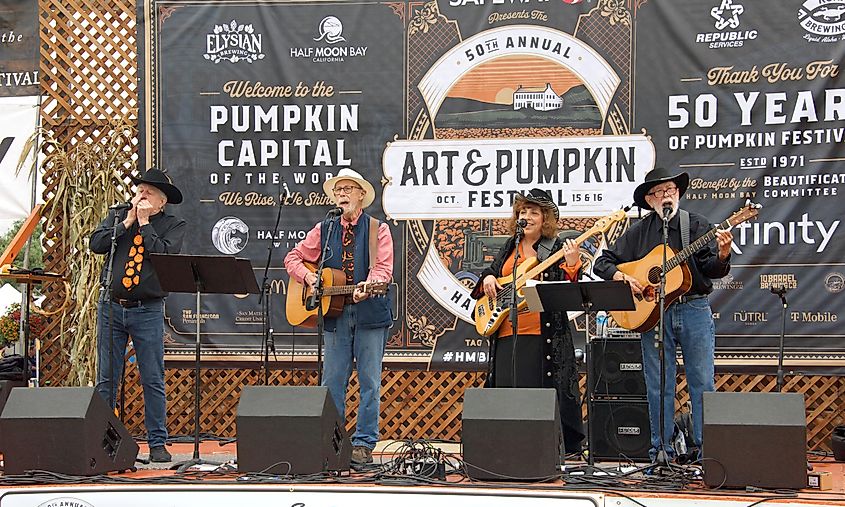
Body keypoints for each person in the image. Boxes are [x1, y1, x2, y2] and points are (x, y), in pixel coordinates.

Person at [593, 167, 732, 463]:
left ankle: (709, 454)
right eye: (658, 192)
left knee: (702, 381)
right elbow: (602, 262)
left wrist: (722, 255)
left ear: (678, 193)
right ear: (649, 199)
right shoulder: (639, 232)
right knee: (658, 384)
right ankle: (661, 452)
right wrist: (622, 276)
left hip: (693, 308)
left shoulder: (696, 225)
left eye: (670, 190)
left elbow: (711, 269)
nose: (666, 196)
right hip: (654, 315)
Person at [284, 168, 394, 465]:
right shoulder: (325, 228)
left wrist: (367, 288)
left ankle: (364, 442)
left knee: (370, 381)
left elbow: (383, 270)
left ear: (361, 195)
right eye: (338, 190)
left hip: (370, 313)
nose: (342, 194)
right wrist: (308, 278)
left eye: (348, 189)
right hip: (335, 314)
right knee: (332, 381)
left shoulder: (377, 229)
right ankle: (332, 441)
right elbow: (293, 258)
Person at [469, 188, 585, 455]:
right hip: (507, 334)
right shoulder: (511, 246)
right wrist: (487, 277)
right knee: (507, 394)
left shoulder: (554, 247)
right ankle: (509, 450)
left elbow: (566, 291)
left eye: (534, 212)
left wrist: (571, 264)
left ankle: (542, 452)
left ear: (545, 218)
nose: (527, 216)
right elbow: (494, 272)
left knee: (538, 396)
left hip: (540, 336)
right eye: (523, 211)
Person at [90, 168, 186, 463]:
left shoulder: (173, 224)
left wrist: (144, 224)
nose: (141, 195)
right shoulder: (119, 215)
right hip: (111, 306)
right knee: (107, 378)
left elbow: (164, 256)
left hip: (147, 310)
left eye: (149, 192)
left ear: (161, 202)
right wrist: (128, 222)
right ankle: (102, 442)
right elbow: (96, 244)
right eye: (140, 190)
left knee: (152, 377)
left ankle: (157, 442)